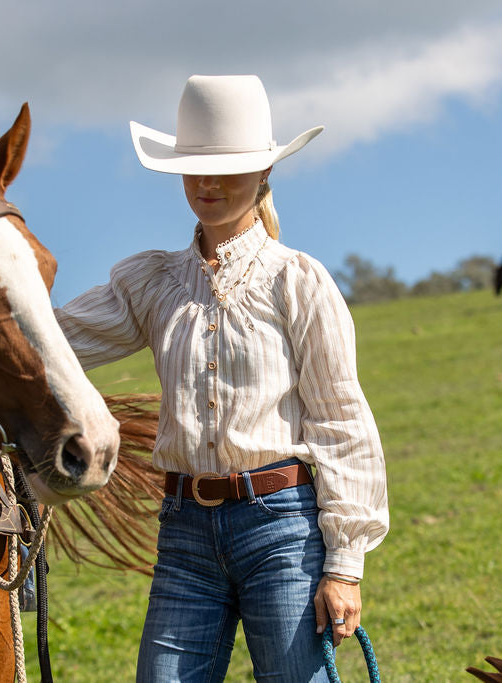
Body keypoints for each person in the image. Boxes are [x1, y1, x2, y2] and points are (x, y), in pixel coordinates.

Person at [55, 74, 389, 682]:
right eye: (195, 168)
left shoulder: (298, 281)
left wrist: (343, 565)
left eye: (227, 168)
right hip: (183, 532)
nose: (207, 184)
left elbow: (340, 418)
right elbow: (48, 344)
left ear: (264, 174)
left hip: (282, 529)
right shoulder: (151, 283)